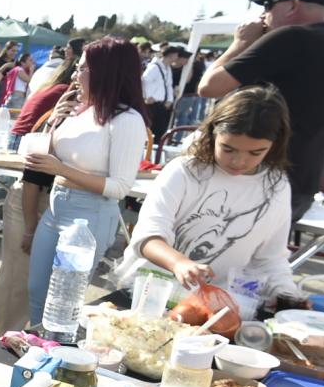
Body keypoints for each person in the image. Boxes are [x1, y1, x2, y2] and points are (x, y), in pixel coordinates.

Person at [199, 0, 324, 220]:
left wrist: (239, 44)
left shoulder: (291, 37)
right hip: (296, 186)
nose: (263, 14)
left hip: (258, 184)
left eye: (269, 5)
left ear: (293, 4)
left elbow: (209, 86)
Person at [117, 85, 296, 300]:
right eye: (228, 149)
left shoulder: (276, 185)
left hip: (215, 306)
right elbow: (147, 236)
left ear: (274, 146)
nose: (239, 161)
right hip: (147, 294)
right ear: (212, 134)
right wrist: (179, 263)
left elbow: (271, 259)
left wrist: (287, 294)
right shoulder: (185, 171)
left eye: (256, 152)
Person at [24, 37, 148, 324]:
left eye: (82, 70)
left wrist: (62, 169)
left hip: (90, 215)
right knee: (37, 293)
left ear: (105, 72)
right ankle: (32, 351)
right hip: (56, 207)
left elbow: (119, 187)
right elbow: (49, 153)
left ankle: (51, 357)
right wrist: (54, 121)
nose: (75, 76)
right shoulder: (83, 111)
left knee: (62, 303)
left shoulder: (127, 120)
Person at [141, 42, 180, 148]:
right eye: (176, 55)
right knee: (151, 132)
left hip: (162, 105)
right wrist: (147, 96)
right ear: (171, 55)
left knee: (160, 132)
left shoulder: (167, 68)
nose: (177, 58)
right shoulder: (154, 67)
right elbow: (145, 80)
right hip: (153, 105)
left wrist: (170, 100)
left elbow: (169, 85)